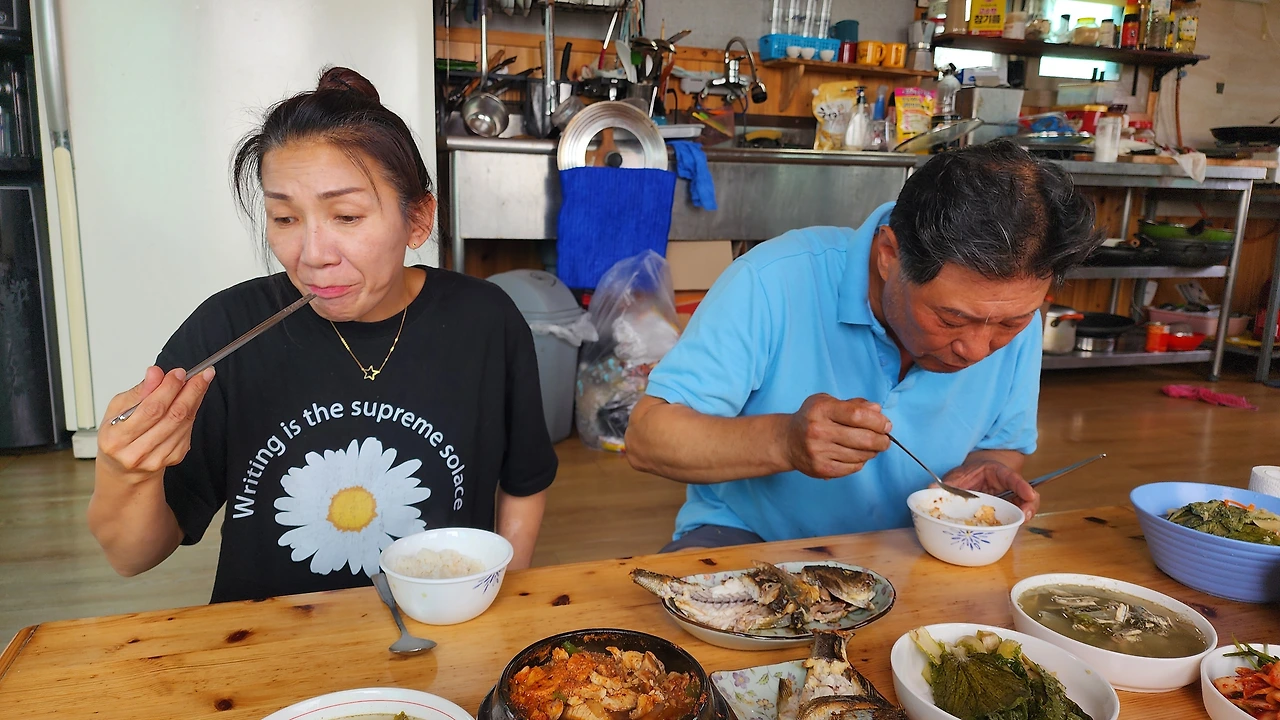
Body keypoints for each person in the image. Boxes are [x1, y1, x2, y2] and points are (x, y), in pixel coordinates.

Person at [88, 67, 558, 603]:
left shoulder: (486, 320)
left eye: (347, 216)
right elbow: (132, 556)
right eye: (285, 218)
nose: (312, 255)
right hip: (267, 640)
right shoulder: (227, 329)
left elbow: (525, 483)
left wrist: (502, 599)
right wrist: (125, 473)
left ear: (418, 220)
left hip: (439, 627)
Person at [624, 140, 1103, 552]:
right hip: (752, 540)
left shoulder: (1008, 313)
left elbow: (1002, 446)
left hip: (918, 545)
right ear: (889, 256)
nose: (977, 350)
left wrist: (982, 474)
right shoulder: (773, 280)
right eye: (951, 319)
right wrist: (783, 441)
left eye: (1011, 322)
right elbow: (647, 438)